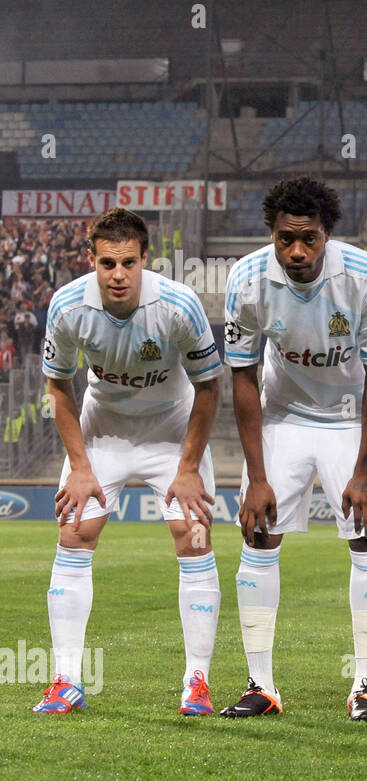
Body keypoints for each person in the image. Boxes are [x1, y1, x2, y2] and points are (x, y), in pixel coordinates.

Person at [222, 176, 367, 721]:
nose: (297, 251)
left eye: (310, 239)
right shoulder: (247, 278)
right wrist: (255, 477)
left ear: (328, 235)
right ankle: (261, 685)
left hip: (352, 419)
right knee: (258, 534)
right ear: (272, 235)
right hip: (286, 415)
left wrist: (365, 469)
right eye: (285, 239)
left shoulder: (366, 276)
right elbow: (243, 379)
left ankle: (365, 687)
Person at [35, 207, 222, 715]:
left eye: (129, 263)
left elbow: (209, 387)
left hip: (172, 427)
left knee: (194, 537)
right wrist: (78, 465)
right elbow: (58, 385)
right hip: (105, 428)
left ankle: (196, 681)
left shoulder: (179, 306)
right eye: (108, 264)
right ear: (91, 261)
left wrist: (187, 469)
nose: (118, 275)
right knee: (75, 532)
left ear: (147, 260)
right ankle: (65, 681)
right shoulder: (68, 305)